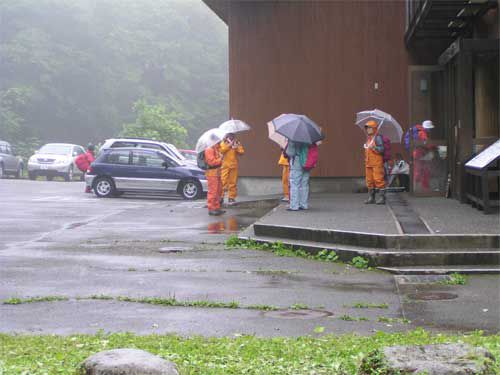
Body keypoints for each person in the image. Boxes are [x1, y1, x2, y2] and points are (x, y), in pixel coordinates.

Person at [364, 120, 386, 205]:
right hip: (368, 162)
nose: (367, 129)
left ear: (374, 128)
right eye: (367, 128)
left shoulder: (378, 137)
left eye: (369, 128)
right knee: (369, 181)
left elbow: (382, 150)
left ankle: (382, 198)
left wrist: (375, 148)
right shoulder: (369, 138)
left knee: (378, 180)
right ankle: (371, 198)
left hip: (377, 163)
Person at [219, 133, 244, 205]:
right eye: (230, 135)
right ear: (227, 135)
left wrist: (236, 148)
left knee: (233, 182)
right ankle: (221, 197)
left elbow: (242, 152)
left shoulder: (237, 142)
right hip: (224, 165)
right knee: (223, 182)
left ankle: (231, 197)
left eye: (232, 135)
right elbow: (221, 151)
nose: (231, 136)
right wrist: (229, 146)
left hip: (233, 165)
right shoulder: (223, 142)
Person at [286, 141, 310, 211]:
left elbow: (290, 153)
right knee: (304, 184)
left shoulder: (293, 139)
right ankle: (304, 205)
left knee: (294, 184)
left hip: (297, 162)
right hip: (307, 162)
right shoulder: (309, 139)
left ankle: (294, 206)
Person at [204, 142, 225, 216]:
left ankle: (216, 207)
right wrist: (220, 159)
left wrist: (220, 158)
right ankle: (211, 208)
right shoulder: (209, 149)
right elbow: (212, 162)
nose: (219, 142)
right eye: (218, 140)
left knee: (218, 191)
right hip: (212, 174)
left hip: (217, 173)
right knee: (213, 191)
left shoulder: (216, 149)